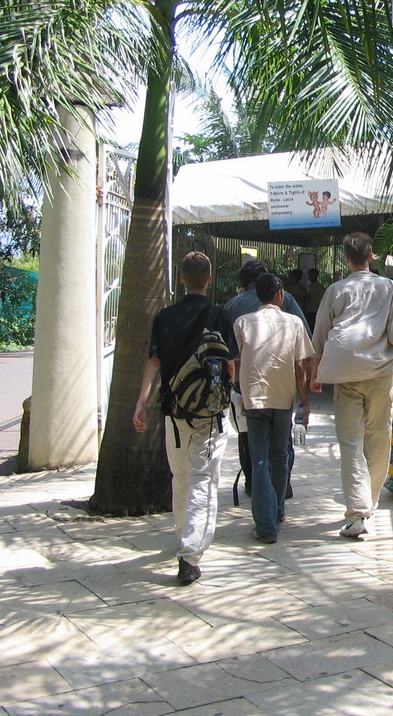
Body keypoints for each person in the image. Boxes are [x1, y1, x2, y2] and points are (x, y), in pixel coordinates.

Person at [309, 232, 393, 538]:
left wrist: (315, 372)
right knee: (378, 439)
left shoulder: (335, 291)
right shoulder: (389, 288)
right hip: (378, 373)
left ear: (347, 259)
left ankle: (357, 512)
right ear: (371, 256)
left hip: (345, 375)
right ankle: (367, 506)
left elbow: (320, 336)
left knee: (350, 444)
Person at [133, 251, 238, 585]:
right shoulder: (219, 315)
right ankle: (190, 554)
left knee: (180, 476)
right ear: (209, 278)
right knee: (202, 480)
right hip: (210, 414)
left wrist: (141, 403)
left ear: (181, 278)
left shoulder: (165, 317)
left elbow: (154, 362)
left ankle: (184, 534)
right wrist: (232, 396)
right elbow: (231, 363)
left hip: (174, 413)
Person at [234, 273, 314, 544]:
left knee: (259, 461)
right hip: (283, 399)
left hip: (254, 399)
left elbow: (238, 358)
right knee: (279, 457)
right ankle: (277, 512)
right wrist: (305, 401)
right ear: (279, 294)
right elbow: (300, 367)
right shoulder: (293, 323)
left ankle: (266, 526)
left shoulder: (242, 323)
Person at [225, 260, 309, 499]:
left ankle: (254, 485)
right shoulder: (287, 300)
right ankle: (282, 487)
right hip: (282, 388)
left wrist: (232, 384)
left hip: (248, 389)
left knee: (250, 440)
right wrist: (304, 396)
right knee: (282, 445)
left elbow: (229, 353)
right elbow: (302, 350)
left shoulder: (234, 306)